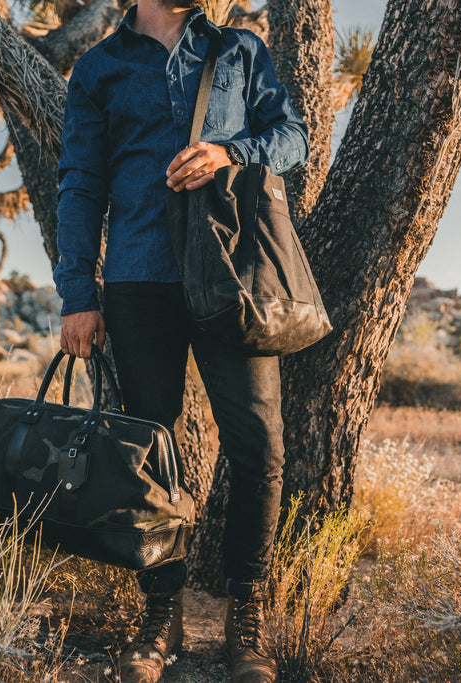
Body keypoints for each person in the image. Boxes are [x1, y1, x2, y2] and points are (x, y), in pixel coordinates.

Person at [53, 0, 309, 680]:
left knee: (259, 445)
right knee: (148, 451)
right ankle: (159, 613)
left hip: (235, 280)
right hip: (139, 281)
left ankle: (245, 622)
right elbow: (79, 184)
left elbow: (292, 138)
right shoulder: (100, 68)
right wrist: (78, 295)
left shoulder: (239, 51)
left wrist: (230, 153)